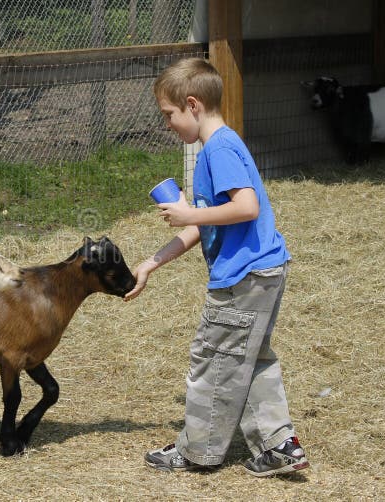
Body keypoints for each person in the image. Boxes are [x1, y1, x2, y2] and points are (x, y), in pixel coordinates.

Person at [124, 57, 309, 477]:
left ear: (193, 105)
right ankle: (281, 445)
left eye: (168, 115)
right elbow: (204, 224)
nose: (167, 124)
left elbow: (245, 207)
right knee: (251, 357)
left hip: (242, 278)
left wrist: (189, 215)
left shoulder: (220, 148)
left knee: (214, 360)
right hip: (265, 271)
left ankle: (197, 451)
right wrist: (151, 264)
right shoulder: (217, 149)